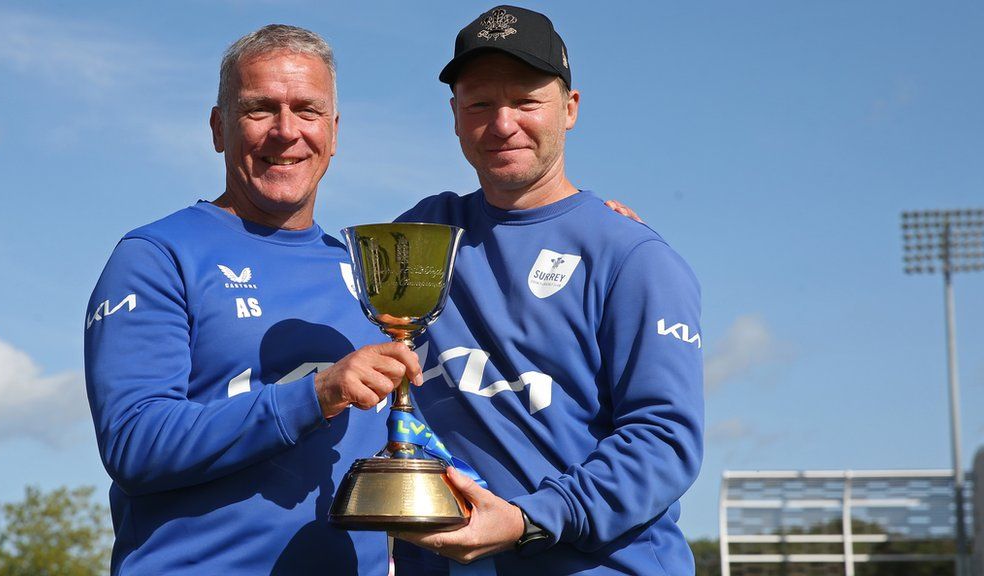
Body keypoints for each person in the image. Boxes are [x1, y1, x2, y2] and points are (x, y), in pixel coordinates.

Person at [83, 25, 423, 575]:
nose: (286, 132)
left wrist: (607, 230)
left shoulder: (369, 273)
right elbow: (135, 443)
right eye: (260, 109)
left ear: (333, 132)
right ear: (219, 128)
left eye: (307, 111)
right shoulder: (158, 255)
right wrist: (314, 394)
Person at [392, 5, 704, 575]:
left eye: (526, 102)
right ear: (455, 115)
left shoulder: (631, 256)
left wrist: (528, 519)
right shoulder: (420, 237)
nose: (502, 123)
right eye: (481, 103)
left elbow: (665, 442)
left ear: (570, 109)